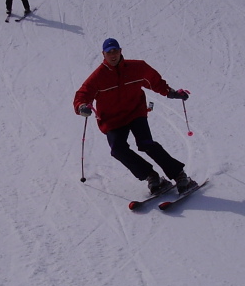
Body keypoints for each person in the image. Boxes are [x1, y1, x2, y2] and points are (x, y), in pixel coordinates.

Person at [73, 38, 196, 195]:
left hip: (135, 112)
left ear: (121, 51)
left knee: (146, 143)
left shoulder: (137, 67)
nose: (113, 55)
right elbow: (83, 94)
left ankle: (179, 175)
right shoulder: (98, 77)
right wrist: (81, 106)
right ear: (103, 54)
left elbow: (155, 81)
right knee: (118, 150)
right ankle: (152, 176)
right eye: (109, 52)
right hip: (112, 120)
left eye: (115, 51)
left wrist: (171, 93)